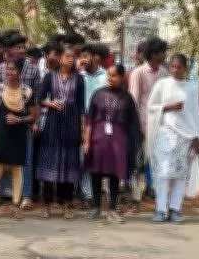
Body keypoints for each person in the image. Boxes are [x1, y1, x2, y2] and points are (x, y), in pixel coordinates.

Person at [147, 54, 199, 223]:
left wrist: (197, 136)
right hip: (165, 134)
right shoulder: (162, 85)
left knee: (180, 174)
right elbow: (151, 107)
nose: (175, 70)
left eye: (179, 67)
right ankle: (160, 209)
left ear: (185, 68)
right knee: (163, 173)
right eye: (172, 66)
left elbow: (195, 114)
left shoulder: (191, 88)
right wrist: (168, 107)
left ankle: (175, 209)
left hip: (185, 136)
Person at [84, 64, 138, 224]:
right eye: (108, 75)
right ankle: (96, 207)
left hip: (118, 141)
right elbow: (89, 120)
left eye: (114, 75)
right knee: (96, 172)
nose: (110, 78)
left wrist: (131, 144)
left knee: (115, 174)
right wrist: (86, 141)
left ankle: (112, 209)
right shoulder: (98, 94)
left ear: (121, 77)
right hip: (98, 139)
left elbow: (133, 123)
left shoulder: (127, 98)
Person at [37, 44, 85, 220]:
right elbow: (39, 98)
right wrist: (49, 103)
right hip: (53, 123)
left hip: (71, 123)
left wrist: (82, 129)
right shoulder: (50, 76)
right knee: (50, 163)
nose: (70, 59)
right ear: (60, 58)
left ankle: (67, 205)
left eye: (73, 57)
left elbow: (81, 106)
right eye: (67, 56)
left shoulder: (79, 79)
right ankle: (47, 205)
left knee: (69, 164)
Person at [0, 59, 38, 219]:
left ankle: (16, 204)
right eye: (7, 69)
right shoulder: (0, 89)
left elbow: (33, 116)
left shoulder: (27, 91)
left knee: (17, 168)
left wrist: (19, 119)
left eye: (13, 69)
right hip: (1, 132)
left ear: (20, 72)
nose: (9, 72)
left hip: (19, 133)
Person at [0, 32, 41, 210]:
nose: (22, 50)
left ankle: (27, 195)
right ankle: (3, 192)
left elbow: (37, 98)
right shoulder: (0, 69)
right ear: (9, 50)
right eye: (18, 47)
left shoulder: (33, 69)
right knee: (3, 156)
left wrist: (34, 121)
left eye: (23, 47)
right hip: (5, 120)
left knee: (26, 158)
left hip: (25, 119)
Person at [127, 37, 168, 212]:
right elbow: (134, 101)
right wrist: (138, 126)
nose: (165, 55)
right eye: (162, 52)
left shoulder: (164, 72)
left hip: (160, 125)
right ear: (154, 54)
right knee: (139, 163)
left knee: (158, 162)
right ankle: (135, 199)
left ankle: (159, 199)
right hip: (142, 125)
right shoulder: (138, 73)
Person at [78, 44, 109, 206]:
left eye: (86, 56)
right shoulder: (79, 75)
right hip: (81, 119)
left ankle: (95, 192)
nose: (84, 59)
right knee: (82, 156)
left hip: (100, 121)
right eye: (81, 56)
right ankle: (85, 193)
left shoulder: (106, 75)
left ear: (95, 57)